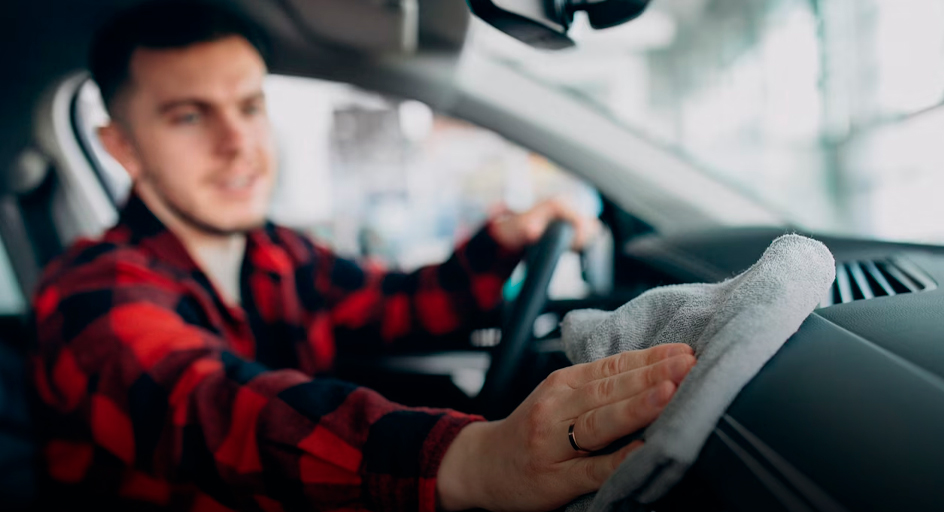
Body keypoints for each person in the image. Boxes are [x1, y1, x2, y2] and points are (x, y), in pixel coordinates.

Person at [30, 2, 697, 511]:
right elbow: (221, 413)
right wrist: (468, 459)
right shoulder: (91, 293)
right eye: (188, 117)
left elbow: (399, 305)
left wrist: (503, 243)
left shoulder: (275, 253)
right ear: (121, 147)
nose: (240, 145)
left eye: (250, 107)